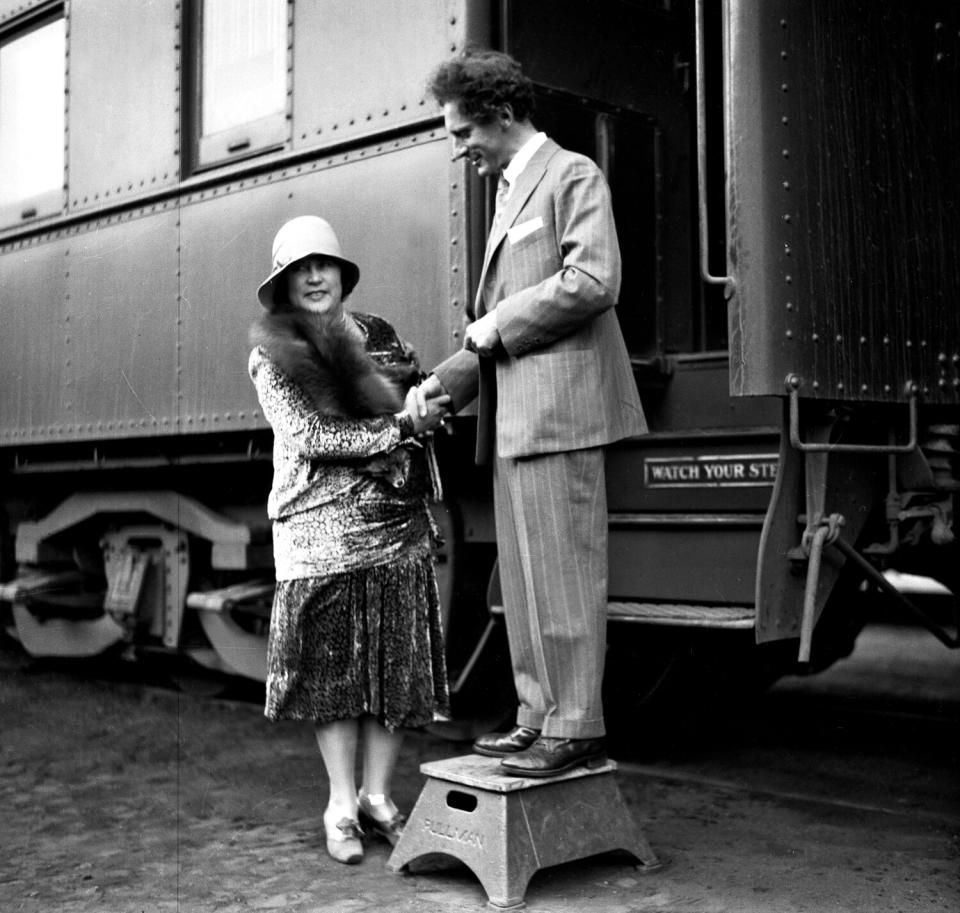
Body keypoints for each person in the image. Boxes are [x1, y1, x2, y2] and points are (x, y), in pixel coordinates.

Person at [415, 49, 647, 777]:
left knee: (565, 576)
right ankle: (537, 715)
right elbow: (491, 340)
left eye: (463, 134)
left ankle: (575, 723)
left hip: (560, 414)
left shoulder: (570, 173)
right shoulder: (513, 191)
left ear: (503, 115)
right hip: (516, 419)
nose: (460, 150)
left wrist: (498, 321)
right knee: (523, 580)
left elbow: (592, 279)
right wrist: (442, 386)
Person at [248, 215, 451, 865]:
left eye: (324, 264)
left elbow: (418, 398)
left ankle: (378, 797)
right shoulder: (273, 353)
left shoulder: (382, 335)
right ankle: (339, 803)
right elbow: (314, 436)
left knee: (396, 667)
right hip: (318, 527)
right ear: (282, 284)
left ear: (340, 273)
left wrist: (426, 409)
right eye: (298, 268)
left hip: (396, 523)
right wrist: (400, 428)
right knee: (334, 675)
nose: (314, 275)